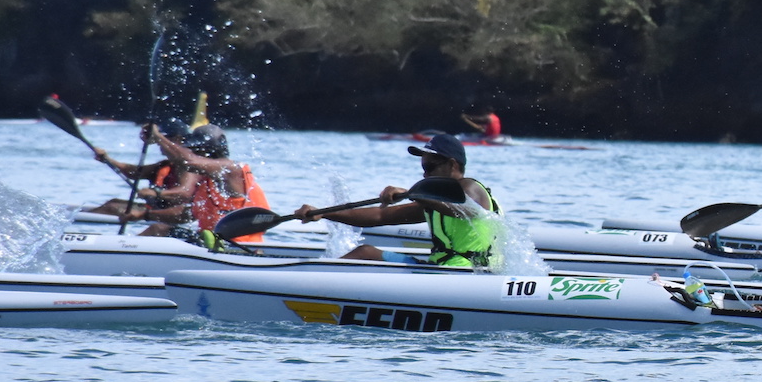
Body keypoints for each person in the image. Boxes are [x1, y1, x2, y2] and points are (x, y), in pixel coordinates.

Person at [295, 132, 500, 266]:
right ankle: (314, 284)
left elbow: (469, 211)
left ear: (453, 165)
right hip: (439, 269)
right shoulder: (434, 204)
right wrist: (323, 213)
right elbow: (379, 215)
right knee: (365, 252)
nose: (424, 175)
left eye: (429, 168)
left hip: (469, 275)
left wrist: (417, 194)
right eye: (423, 169)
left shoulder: (470, 187)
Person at [142, 124, 273, 244]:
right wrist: (144, 215)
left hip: (237, 245)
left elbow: (189, 162)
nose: (194, 154)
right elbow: (189, 214)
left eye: (198, 150)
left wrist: (158, 137)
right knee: (159, 228)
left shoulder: (232, 169)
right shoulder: (207, 180)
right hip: (210, 242)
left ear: (212, 151)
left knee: (157, 230)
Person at [84, 119, 191, 225]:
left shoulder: (189, 166)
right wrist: (107, 159)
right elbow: (134, 173)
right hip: (155, 209)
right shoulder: (165, 165)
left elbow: (184, 193)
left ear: (178, 139)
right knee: (113, 203)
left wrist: (156, 193)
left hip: (174, 215)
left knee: (112, 208)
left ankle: (77, 227)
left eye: (165, 138)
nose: (159, 143)